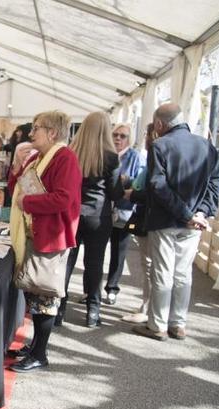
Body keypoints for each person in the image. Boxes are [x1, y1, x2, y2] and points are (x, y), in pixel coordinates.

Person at [132, 103, 219, 341]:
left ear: (160, 124)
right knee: (183, 273)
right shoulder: (206, 145)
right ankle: (178, 323)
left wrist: (186, 213)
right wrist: (202, 212)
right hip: (193, 221)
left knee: (162, 272)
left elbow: (157, 185)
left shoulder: (160, 146)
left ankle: (158, 325)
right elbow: (217, 181)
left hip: (166, 219)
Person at [7, 111, 82, 373]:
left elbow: (64, 199)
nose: (31, 133)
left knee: (45, 297)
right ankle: (35, 346)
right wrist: (16, 165)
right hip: (36, 233)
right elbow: (15, 189)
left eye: (36, 128)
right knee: (35, 293)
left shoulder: (65, 159)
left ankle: (40, 353)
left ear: (52, 132)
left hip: (51, 236)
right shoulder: (38, 158)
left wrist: (27, 203)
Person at [61, 111, 121, 328]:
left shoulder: (70, 153)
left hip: (73, 214)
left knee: (67, 261)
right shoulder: (111, 157)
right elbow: (115, 193)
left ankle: (58, 309)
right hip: (98, 215)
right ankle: (93, 312)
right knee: (94, 264)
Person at [104, 124, 144, 305]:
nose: (118, 138)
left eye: (123, 136)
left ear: (130, 139)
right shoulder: (105, 154)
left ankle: (112, 288)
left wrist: (127, 180)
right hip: (103, 210)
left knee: (118, 252)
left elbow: (140, 183)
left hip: (124, 211)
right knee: (96, 252)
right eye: (115, 135)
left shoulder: (135, 157)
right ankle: (92, 290)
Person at [120, 124, 156, 324]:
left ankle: (148, 309)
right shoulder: (151, 158)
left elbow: (149, 189)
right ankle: (156, 311)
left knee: (150, 266)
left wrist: (132, 192)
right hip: (153, 217)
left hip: (150, 219)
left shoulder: (154, 157)